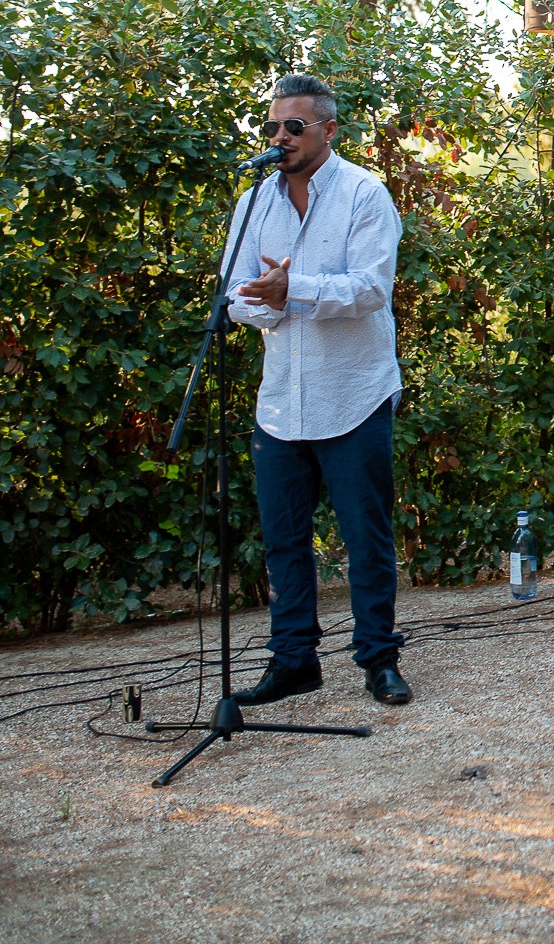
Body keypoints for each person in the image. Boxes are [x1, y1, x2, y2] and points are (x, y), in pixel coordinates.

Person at [224, 73, 412, 707]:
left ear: (328, 130)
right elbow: (233, 295)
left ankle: (379, 660)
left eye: (294, 126)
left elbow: (370, 288)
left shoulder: (364, 193)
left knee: (366, 538)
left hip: (354, 395)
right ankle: (294, 661)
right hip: (281, 401)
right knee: (283, 540)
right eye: (272, 127)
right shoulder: (255, 201)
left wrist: (291, 290)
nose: (280, 137)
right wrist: (270, 303)